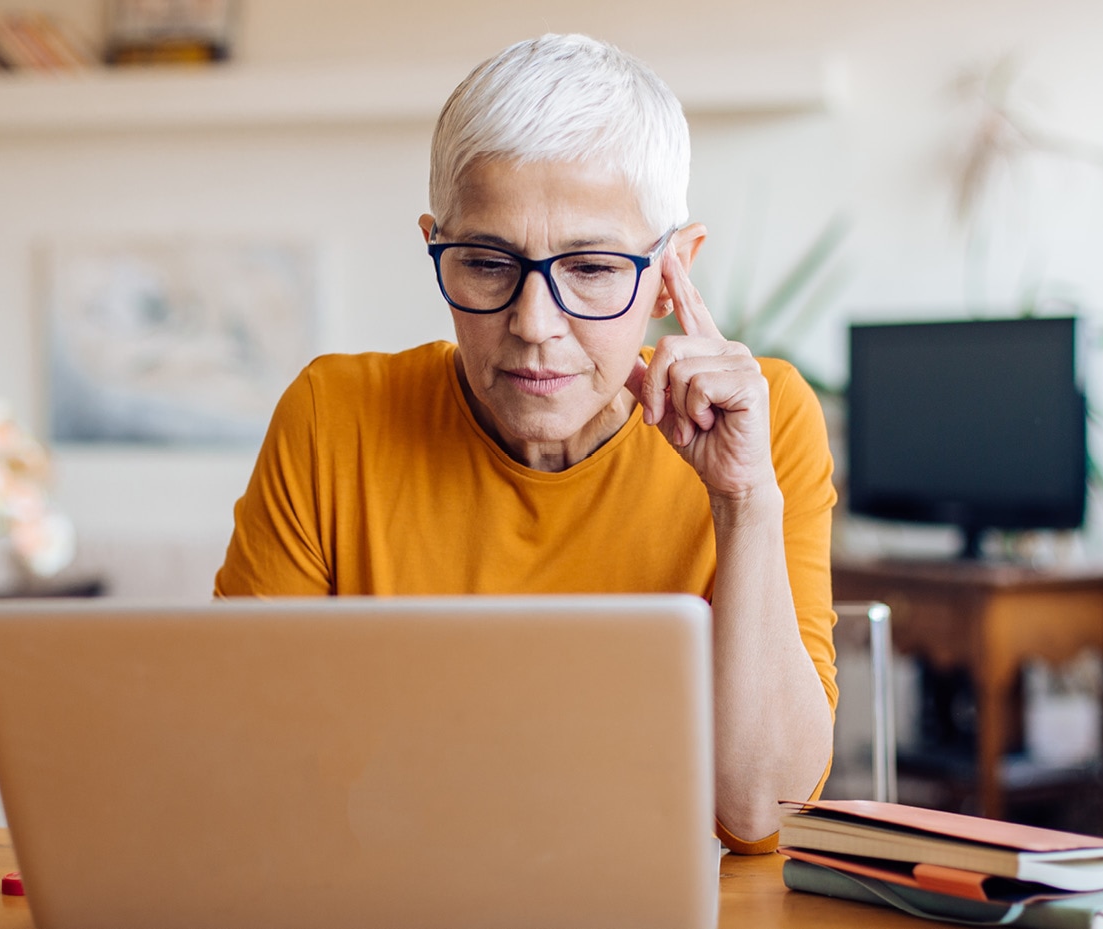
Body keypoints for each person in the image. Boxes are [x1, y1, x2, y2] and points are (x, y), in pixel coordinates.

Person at [215, 33, 837, 854]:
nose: (532, 326)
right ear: (435, 245)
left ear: (668, 274)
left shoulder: (762, 423)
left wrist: (744, 501)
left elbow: (762, 809)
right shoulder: (332, 417)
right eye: (484, 262)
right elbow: (238, 765)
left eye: (590, 268)